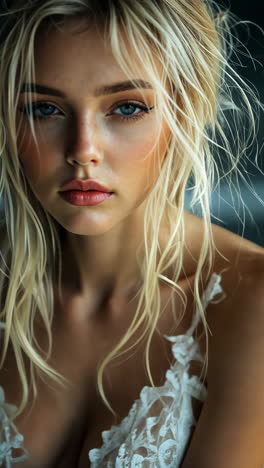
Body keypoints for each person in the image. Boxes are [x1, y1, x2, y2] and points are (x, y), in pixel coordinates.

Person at [0, 0, 264, 467]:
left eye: (126, 107)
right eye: (44, 109)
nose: (83, 150)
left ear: (186, 111)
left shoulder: (250, 305)